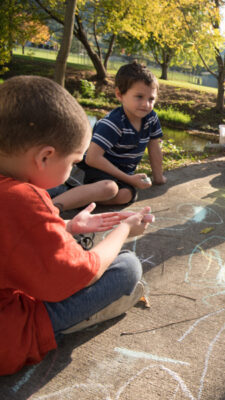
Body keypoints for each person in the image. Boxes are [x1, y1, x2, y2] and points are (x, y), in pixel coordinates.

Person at [0, 76, 154, 375]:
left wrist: (66, 226)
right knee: (128, 267)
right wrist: (123, 230)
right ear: (45, 156)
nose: (72, 170)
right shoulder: (23, 198)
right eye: (72, 162)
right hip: (8, 337)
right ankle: (81, 318)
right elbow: (84, 273)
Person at [79, 61, 166, 205]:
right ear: (120, 95)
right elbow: (92, 159)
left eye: (151, 99)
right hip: (96, 171)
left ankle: (85, 199)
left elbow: (154, 146)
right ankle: (59, 202)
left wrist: (159, 177)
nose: (146, 104)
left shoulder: (151, 118)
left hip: (121, 176)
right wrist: (129, 179)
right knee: (109, 188)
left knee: (126, 195)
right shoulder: (113, 123)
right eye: (139, 97)